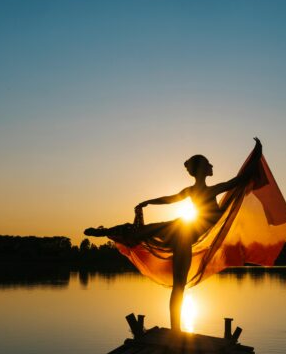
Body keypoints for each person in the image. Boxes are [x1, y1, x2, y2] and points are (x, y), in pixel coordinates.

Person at [86, 138, 263, 331]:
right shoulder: (211, 190)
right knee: (176, 280)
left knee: (170, 269)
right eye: (208, 164)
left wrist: (149, 201)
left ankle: (176, 330)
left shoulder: (197, 190)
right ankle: (176, 329)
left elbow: (172, 199)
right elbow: (237, 181)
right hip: (184, 232)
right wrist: (257, 154)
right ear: (202, 170)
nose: (212, 166)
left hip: (183, 233)